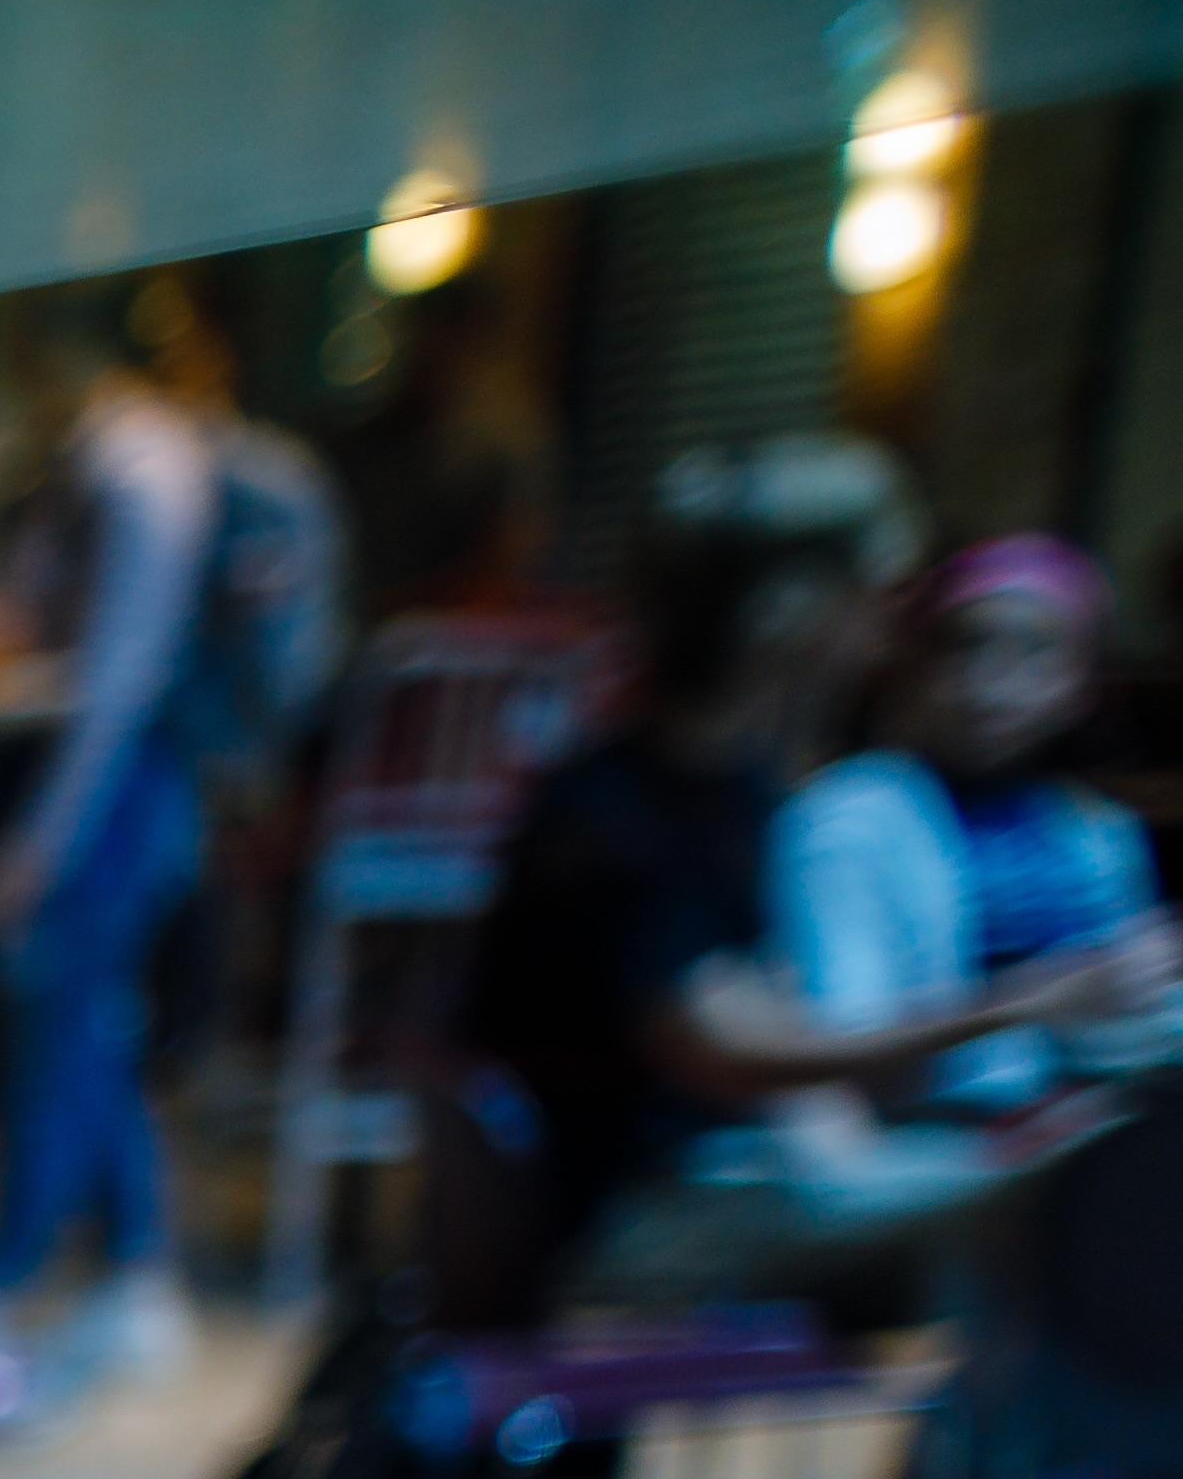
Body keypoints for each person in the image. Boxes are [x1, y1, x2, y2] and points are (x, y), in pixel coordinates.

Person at [447, 505, 1167, 1308]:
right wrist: (1034, 1006)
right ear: (787, 618)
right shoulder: (623, 812)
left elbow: (784, 1050)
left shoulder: (740, 788)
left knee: (1112, 1193)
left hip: (753, 1178)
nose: (883, 635)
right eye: (871, 601)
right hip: (635, 1213)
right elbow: (735, 1053)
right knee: (1105, 1197)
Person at [0, 277, 233, 1371]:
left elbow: (118, 677)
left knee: (66, 1023)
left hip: (115, 782)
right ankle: (135, 1267)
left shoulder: (138, 470)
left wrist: (43, 835)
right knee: (89, 1027)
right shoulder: (91, 463)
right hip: (110, 777)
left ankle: (5, 1275)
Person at [767, 537, 1171, 1118]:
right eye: (965, 647)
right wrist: (1039, 1000)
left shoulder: (1097, 831)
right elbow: (846, 1043)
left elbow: (1122, 1012)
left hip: (1084, 1117)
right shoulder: (849, 814)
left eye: (1033, 653)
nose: (992, 680)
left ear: (1080, 688)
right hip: (927, 1135)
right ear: (918, 667)